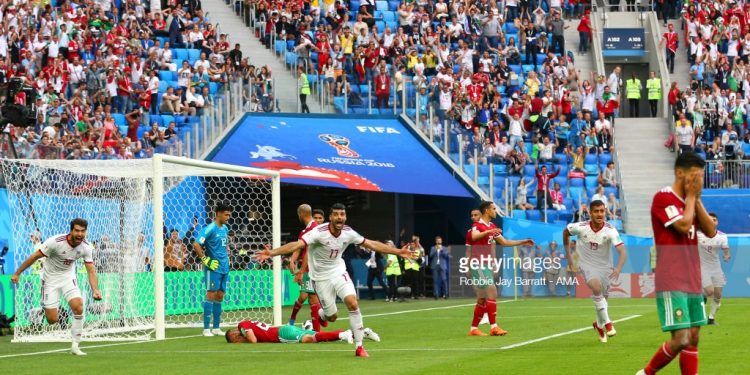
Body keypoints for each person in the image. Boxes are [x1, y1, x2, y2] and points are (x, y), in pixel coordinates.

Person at [257, 203, 414, 357]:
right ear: (331, 217)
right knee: (332, 316)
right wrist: (272, 253)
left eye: (342, 214)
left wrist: (398, 251)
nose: (340, 217)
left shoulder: (348, 232)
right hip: (320, 279)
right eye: (336, 214)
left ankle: (359, 347)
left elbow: (371, 244)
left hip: (339, 272)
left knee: (352, 302)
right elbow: (296, 245)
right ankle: (321, 314)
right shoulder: (318, 232)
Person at [636, 152, 717, 375]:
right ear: (680, 173)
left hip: (693, 277)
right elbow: (682, 226)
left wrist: (696, 198)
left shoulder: (692, 201)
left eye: (701, 177)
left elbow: (710, 231)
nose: (698, 181)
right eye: (695, 176)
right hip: (672, 278)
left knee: (693, 338)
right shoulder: (663, 198)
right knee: (681, 338)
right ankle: (645, 373)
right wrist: (692, 197)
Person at [10, 218, 102, 355]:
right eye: (77, 230)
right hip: (49, 280)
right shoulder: (55, 242)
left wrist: (95, 289)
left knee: (79, 306)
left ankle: (75, 346)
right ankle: (53, 311)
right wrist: (17, 273)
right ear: (71, 231)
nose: (80, 234)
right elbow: (35, 256)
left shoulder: (86, 247)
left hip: (68, 278)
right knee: (52, 320)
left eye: (83, 231)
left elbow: (91, 270)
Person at [466, 201, 534, 337]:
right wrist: (488, 232)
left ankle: (474, 329)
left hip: (485, 264)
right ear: (486, 211)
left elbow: (504, 242)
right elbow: (473, 237)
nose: (495, 211)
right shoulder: (477, 226)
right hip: (478, 264)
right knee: (492, 291)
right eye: (493, 209)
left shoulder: (492, 226)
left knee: (482, 298)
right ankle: (494, 327)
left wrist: (523, 241)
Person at [563, 200, 627, 343]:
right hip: (585, 263)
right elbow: (565, 233)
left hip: (604, 267)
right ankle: (609, 324)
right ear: (590, 213)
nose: (599, 214)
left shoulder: (610, 230)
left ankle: (598, 325)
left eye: (602, 211)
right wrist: (569, 258)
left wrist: (617, 268)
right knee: (596, 287)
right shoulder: (580, 227)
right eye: (596, 211)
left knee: (603, 298)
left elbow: (622, 252)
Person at [193, 202, 232, 337]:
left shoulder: (225, 229)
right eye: (226, 214)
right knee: (210, 294)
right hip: (213, 267)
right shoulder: (210, 228)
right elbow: (196, 243)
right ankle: (206, 329)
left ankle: (216, 327)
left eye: (229, 215)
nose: (228, 217)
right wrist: (205, 259)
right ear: (218, 214)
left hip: (224, 267)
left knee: (220, 295)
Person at [287, 204, 323, 330]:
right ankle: (316, 327)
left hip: (314, 269)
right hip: (309, 269)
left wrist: (301, 272)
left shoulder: (314, 229)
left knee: (313, 299)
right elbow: (299, 247)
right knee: (308, 297)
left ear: (301, 214)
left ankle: (318, 329)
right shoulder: (304, 231)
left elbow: (308, 252)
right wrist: (292, 261)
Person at [697, 213, 730, 326]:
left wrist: (726, 255)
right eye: (710, 220)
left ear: (717, 222)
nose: (712, 222)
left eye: (714, 220)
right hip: (703, 267)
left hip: (716, 267)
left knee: (718, 295)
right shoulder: (698, 235)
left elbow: (726, 249)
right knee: (710, 291)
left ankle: (711, 319)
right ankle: (701, 296)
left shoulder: (722, 236)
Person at [224, 319, 366, 344]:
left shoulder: (243, 325)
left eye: (233, 335)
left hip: (283, 335)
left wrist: (243, 339)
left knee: (311, 340)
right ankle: (360, 332)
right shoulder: (248, 325)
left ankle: (343, 334)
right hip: (284, 329)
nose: (236, 336)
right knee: (315, 335)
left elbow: (253, 340)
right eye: (234, 338)